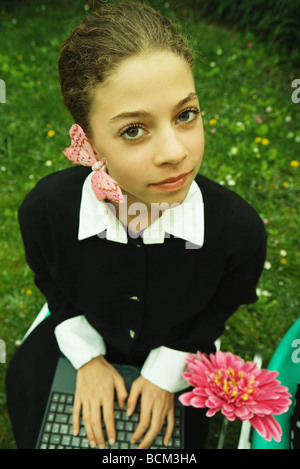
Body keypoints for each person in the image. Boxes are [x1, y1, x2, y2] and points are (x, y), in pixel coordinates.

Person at [6, 1, 267, 450]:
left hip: (182, 344)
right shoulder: (44, 212)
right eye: (133, 130)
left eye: (185, 115)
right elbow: (50, 278)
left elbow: (220, 306)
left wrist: (166, 373)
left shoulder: (240, 234)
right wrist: (86, 358)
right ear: (86, 143)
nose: (174, 153)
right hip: (79, 329)